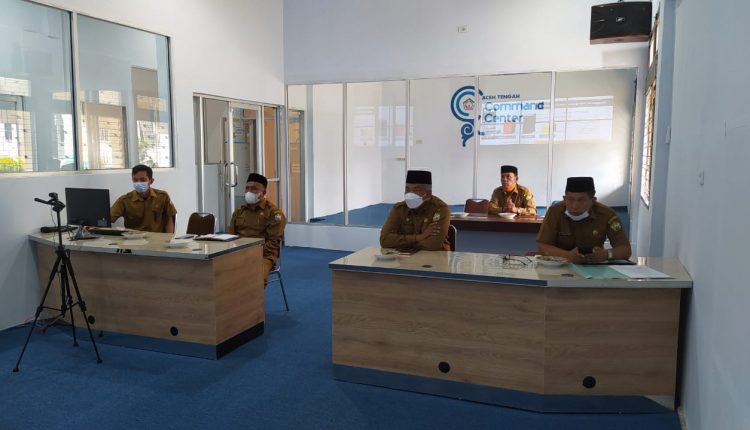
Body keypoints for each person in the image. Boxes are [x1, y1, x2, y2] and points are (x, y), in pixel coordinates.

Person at [536, 176, 631, 264]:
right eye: (570, 199)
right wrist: (567, 256)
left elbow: (626, 249)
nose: (575, 206)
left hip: (594, 266)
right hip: (560, 264)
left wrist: (606, 254)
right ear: (564, 199)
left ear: (593, 200)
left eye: (581, 200)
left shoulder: (606, 214)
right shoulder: (555, 212)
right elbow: (542, 247)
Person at [229, 173, 287, 282]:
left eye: (254, 189)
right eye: (247, 188)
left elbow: (273, 244)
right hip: (239, 253)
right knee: (219, 271)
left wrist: (250, 253)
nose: (249, 192)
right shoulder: (238, 212)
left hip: (263, 255)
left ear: (263, 192)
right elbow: (231, 237)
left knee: (254, 277)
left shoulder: (274, 214)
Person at [380, 170, 451, 251]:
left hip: (435, 257)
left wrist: (402, 243)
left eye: (416, 190)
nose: (410, 194)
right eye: (407, 189)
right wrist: (419, 237)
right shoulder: (399, 209)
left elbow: (432, 245)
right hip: (405, 257)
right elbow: (384, 240)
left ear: (428, 194)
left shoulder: (439, 209)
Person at [110, 164, 177, 233]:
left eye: (142, 180)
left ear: (151, 181)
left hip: (156, 237)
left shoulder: (162, 196)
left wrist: (169, 237)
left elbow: (169, 219)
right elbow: (109, 219)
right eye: (135, 180)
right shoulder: (124, 200)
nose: (138, 183)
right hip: (134, 238)